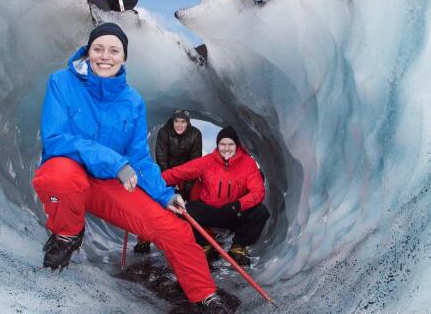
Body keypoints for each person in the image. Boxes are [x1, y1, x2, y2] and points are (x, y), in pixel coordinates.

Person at [31, 22, 230, 313]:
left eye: (114, 50)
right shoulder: (62, 82)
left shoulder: (132, 101)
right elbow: (56, 139)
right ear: (88, 51)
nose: (105, 56)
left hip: (109, 185)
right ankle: (67, 234)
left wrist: (165, 196)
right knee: (58, 175)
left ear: (124, 57)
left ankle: (205, 296)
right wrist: (115, 161)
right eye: (98, 48)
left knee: (173, 228)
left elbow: (138, 158)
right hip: (70, 175)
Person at [162, 126, 270, 266]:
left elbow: (258, 192)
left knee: (260, 212)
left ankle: (238, 248)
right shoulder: (208, 161)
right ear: (218, 145)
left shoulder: (248, 164)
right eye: (222, 144)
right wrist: (154, 183)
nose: (226, 148)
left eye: (230, 144)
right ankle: (205, 244)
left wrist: (239, 204)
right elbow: (178, 173)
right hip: (210, 211)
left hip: (234, 212)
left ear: (236, 145)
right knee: (186, 208)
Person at [133, 109, 203, 254]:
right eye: (177, 121)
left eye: (183, 122)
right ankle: (144, 239)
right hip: (167, 172)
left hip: (187, 174)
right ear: (173, 121)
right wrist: (169, 183)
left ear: (188, 123)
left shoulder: (195, 134)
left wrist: (186, 189)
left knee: (194, 200)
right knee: (155, 201)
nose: (179, 125)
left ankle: (198, 238)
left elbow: (195, 162)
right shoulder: (164, 132)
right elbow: (161, 158)